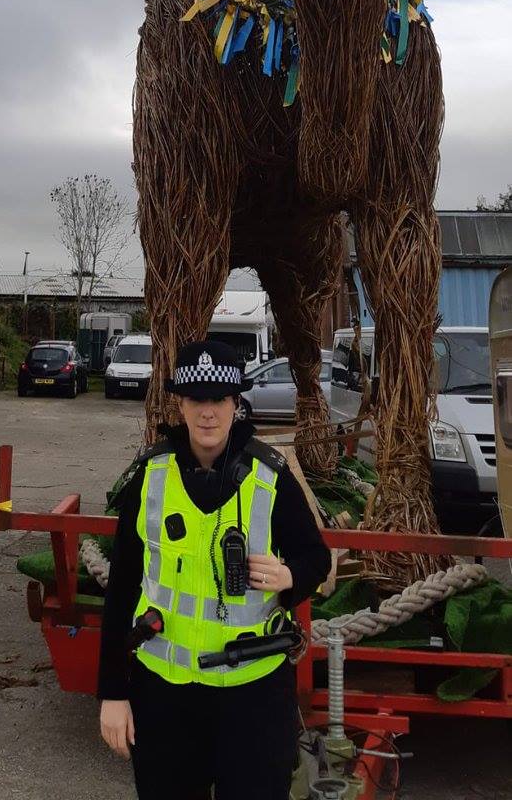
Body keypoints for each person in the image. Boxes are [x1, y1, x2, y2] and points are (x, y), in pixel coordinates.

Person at [98, 339, 331, 799]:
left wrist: (289, 578)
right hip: (164, 696)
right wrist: (111, 693)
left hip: (254, 697)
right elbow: (122, 588)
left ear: (236, 403)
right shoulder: (150, 476)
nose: (208, 413)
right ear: (180, 404)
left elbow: (315, 558)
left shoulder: (270, 476)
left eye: (219, 399)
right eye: (196, 399)